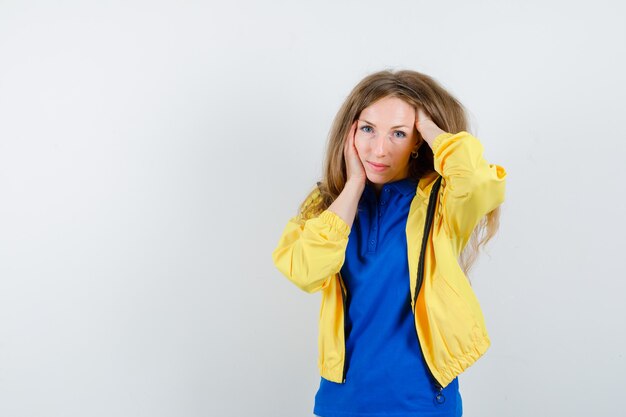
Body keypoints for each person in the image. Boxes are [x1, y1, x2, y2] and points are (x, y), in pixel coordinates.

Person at [271, 69, 507, 417]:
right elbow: (304, 271)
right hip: (342, 402)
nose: (378, 149)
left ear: (417, 143)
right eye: (367, 129)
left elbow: (478, 181)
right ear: (349, 130)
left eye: (399, 133)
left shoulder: (441, 201)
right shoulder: (327, 205)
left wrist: (428, 127)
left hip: (423, 403)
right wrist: (353, 186)